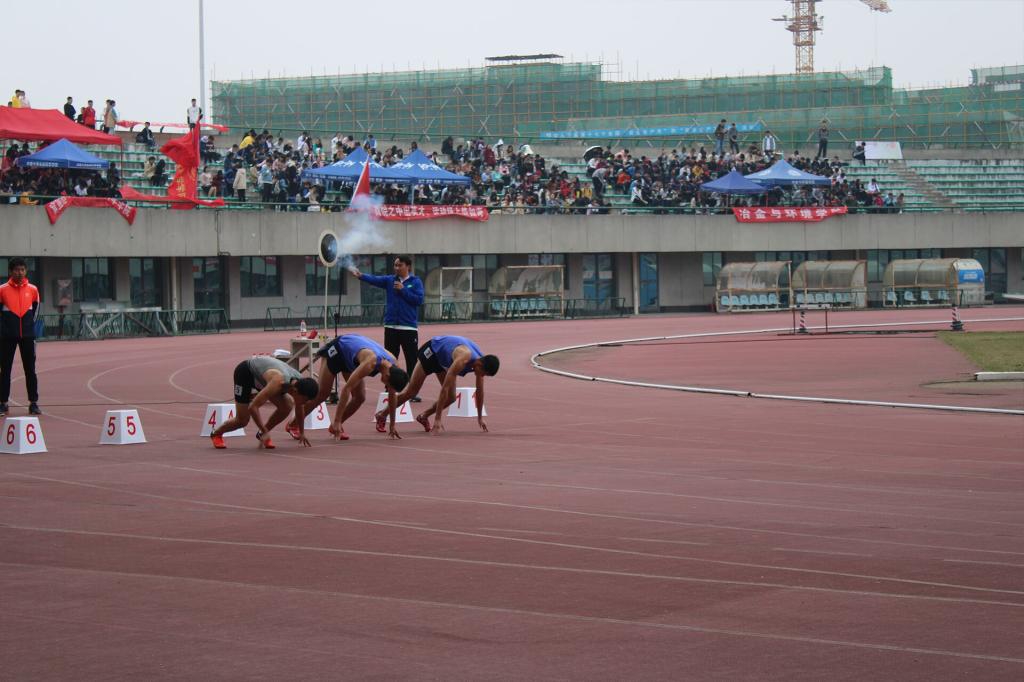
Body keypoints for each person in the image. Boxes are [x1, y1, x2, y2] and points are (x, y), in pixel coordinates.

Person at [285, 334, 409, 441]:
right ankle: (293, 424)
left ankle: (335, 426)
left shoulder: (394, 365)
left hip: (351, 357)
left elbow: (392, 394)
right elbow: (346, 389)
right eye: (387, 384)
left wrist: (392, 424)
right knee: (323, 393)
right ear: (387, 375)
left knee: (359, 397)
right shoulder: (370, 363)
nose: (386, 386)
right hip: (338, 350)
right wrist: (337, 420)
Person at [379, 335, 499, 436]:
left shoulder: (481, 363)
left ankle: (424, 416)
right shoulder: (463, 359)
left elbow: (480, 391)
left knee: (451, 397)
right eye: (483, 373)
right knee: (412, 392)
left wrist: (480, 418)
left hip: (443, 361)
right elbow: (444, 388)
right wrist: (438, 419)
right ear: (479, 364)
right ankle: (382, 414)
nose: (482, 376)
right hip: (432, 352)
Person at [349, 256, 425, 402]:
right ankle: (389, 387)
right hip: (391, 326)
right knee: (389, 358)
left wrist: (403, 290)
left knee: (411, 359)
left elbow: (419, 300)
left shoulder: (415, 282)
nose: (396, 268)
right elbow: (375, 279)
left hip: (408, 327)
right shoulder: (390, 280)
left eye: (400, 265)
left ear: (408, 266)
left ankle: (412, 391)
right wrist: (361, 276)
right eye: (395, 265)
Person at [209, 355, 319, 449]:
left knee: (287, 405)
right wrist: (265, 430)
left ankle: (261, 434)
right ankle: (216, 433)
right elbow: (253, 407)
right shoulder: (278, 381)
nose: (304, 403)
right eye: (305, 400)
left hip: (263, 379)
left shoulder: (299, 383)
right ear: (295, 391)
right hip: (245, 373)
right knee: (242, 420)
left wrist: (302, 432)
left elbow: (299, 408)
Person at [0, 258, 41, 416]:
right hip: (7, 337)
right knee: (5, 370)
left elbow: (36, 311)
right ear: (10, 271)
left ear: (26, 271)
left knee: (30, 369)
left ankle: (33, 403)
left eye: (22, 269)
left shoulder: (33, 289)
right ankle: (3, 403)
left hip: (28, 336)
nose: (20, 273)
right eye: (16, 270)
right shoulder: (2, 289)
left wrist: (29, 326)